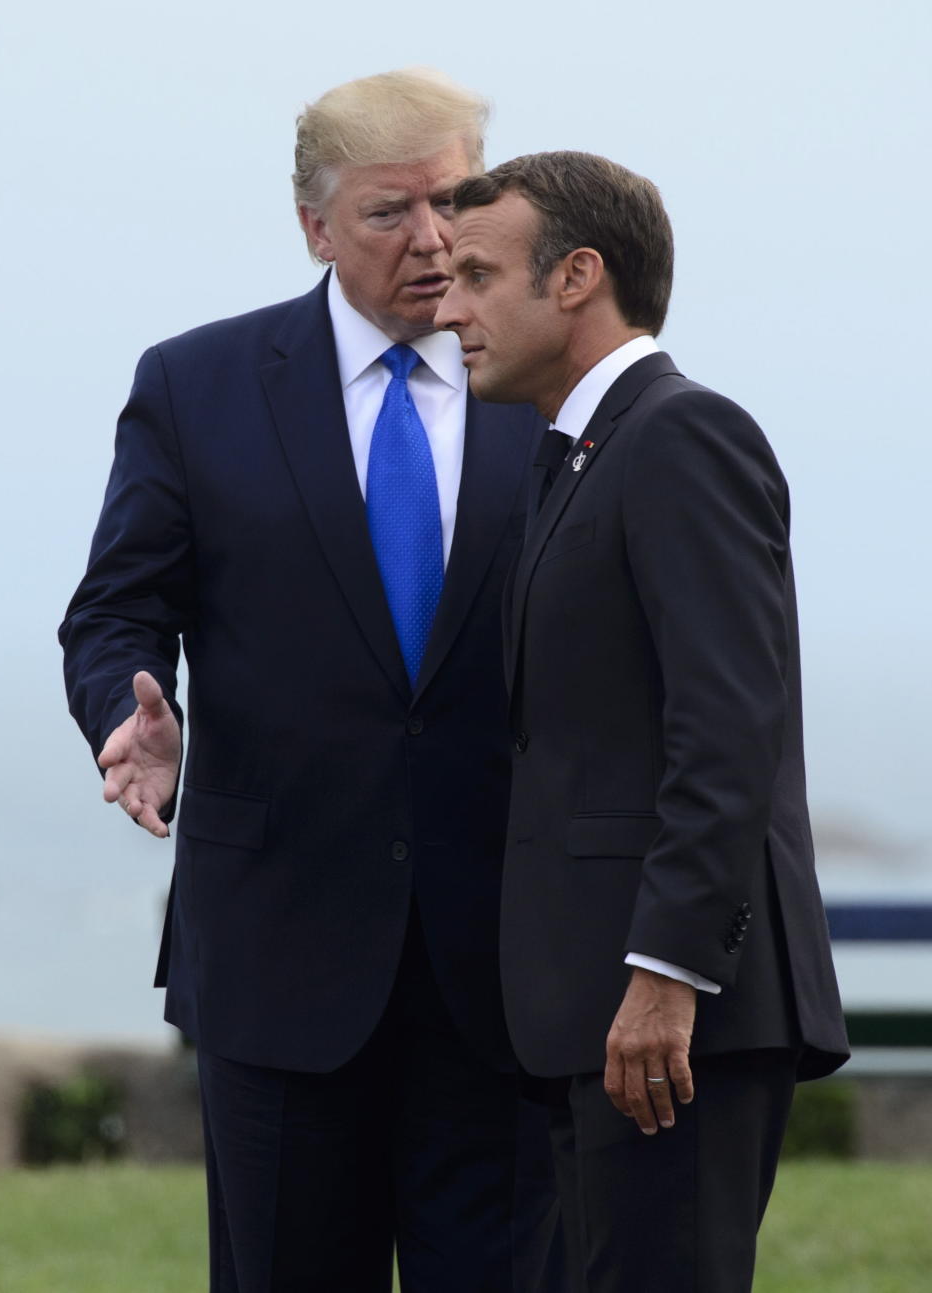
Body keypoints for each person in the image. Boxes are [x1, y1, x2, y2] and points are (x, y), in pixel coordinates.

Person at [58, 71, 559, 1293]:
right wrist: (132, 711)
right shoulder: (197, 386)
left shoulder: (550, 386)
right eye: (392, 213)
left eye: (457, 202)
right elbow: (118, 608)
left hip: (500, 958)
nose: (434, 241)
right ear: (315, 227)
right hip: (278, 953)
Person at [435, 151, 850, 1292]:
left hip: (671, 1027)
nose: (449, 305)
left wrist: (665, 974)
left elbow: (727, 726)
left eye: (476, 274)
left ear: (577, 277)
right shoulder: (569, 461)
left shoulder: (682, 436)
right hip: (592, 1019)